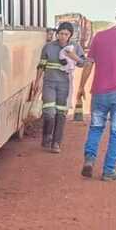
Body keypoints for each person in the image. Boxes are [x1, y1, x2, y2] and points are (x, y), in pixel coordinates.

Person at [78, 9, 116, 181]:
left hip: (99, 93)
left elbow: (88, 64)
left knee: (96, 128)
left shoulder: (99, 37)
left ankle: (89, 159)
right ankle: (108, 171)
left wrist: (81, 87)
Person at [36, 22, 83, 153]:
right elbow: (41, 66)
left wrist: (74, 57)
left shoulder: (75, 47)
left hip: (65, 85)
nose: (63, 36)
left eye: (66, 34)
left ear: (70, 35)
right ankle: (47, 135)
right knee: (49, 113)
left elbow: (82, 63)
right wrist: (36, 83)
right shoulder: (48, 47)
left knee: (61, 114)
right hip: (49, 83)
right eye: (61, 33)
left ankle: (56, 143)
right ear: (57, 33)